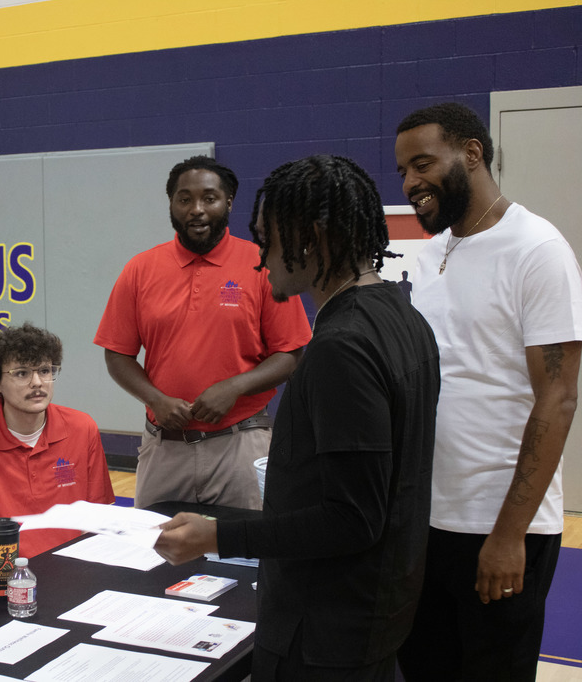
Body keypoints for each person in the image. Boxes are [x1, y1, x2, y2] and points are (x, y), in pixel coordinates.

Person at [155, 155, 440, 680]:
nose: (262, 258)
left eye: (269, 239)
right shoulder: (405, 317)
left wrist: (218, 536)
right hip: (376, 609)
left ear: (311, 237)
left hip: (326, 632)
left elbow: (351, 518)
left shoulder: (342, 347)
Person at [394, 102, 582, 681]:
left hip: (500, 528)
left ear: (472, 153)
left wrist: (507, 536)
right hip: (428, 524)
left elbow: (559, 398)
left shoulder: (537, 250)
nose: (411, 183)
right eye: (403, 170)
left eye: (422, 164)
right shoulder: (431, 256)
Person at [94, 155, 311, 510]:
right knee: (152, 556)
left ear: (228, 202)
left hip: (241, 445)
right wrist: (155, 399)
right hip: (164, 447)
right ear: (171, 204)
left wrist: (234, 387)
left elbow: (291, 354)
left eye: (208, 198)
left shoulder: (262, 264)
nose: (196, 209)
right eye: (184, 199)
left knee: (246, 558)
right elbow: (117, 354)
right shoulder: (140, 269)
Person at [0, 322, 115, 582]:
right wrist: (22, 586)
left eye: (45, 371)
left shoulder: (83, 428)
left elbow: (98, 520)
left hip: (75, 577)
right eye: (22, 373)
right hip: (7, 584)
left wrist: (85, 579)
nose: (37, 383)